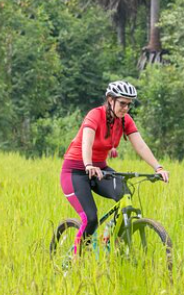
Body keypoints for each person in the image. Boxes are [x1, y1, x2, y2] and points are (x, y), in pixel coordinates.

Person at [60, 81, 169, 255]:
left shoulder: (125, 121)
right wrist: (88, 164)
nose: (126, 108)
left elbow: (140, 146)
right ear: (110, 100)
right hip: (75, 171)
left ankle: (112, 241)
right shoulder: (95, 115)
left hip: (100, 171)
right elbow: (86, 142)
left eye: (129, 104)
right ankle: (75, 259)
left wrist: (158, 167)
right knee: (91, 218)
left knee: (125, 193)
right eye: (122, 103)